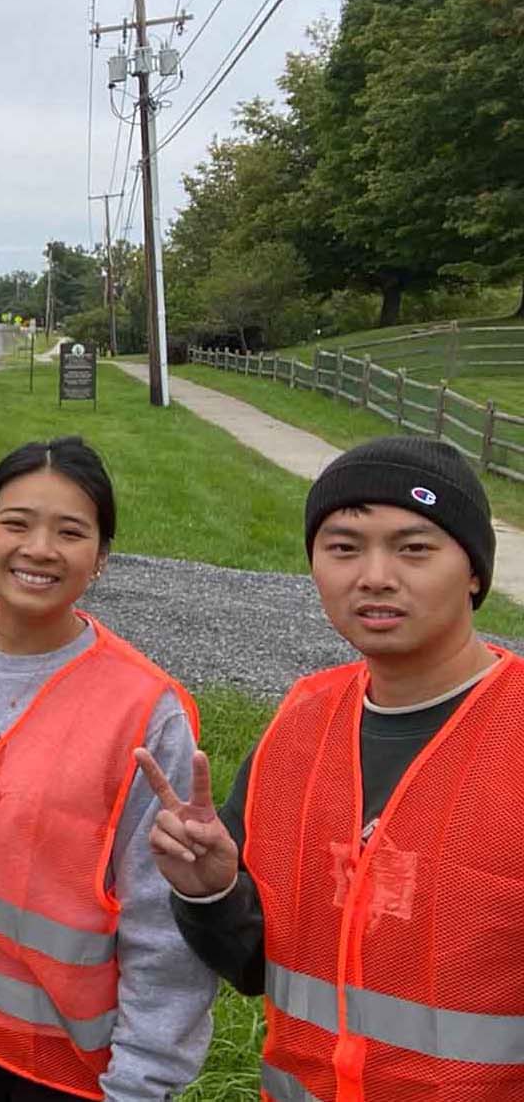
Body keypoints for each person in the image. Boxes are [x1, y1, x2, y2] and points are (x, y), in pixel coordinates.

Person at [141, 436, 522, 1101]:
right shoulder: (302, 721)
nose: (375, 575)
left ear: (474, 571)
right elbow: (259, 962)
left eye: (414, 548)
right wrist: (211, 891)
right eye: (344, 547)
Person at [0, 436, 215, 1101]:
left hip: (78, 1065)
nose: (38, 548)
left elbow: (162, 922)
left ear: (101, 557)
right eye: (16, 523)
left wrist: (143, 1080)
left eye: (70, 531)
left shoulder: (146, 711)